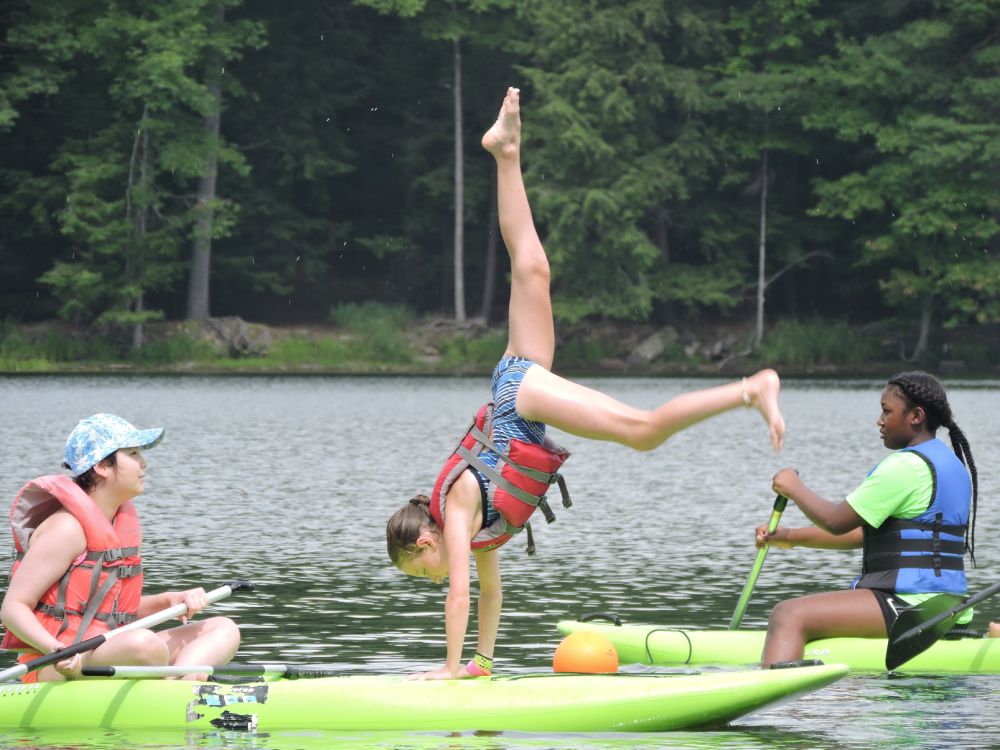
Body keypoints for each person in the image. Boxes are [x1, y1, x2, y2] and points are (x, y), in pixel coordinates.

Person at [386, 86, 786, 681]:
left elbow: (462, 595)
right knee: (532, 266)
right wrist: (481, 664)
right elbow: (491, 594)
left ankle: (750, 389)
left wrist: (448, 669)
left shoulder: (459, 508)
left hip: (518, 398)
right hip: (515, 383)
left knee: (643, 432)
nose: (434, 578)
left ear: (424, 543)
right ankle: (505, 152)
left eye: (423, 573)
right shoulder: (471, 528)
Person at [755, 371, 978, 667]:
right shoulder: (953, 466)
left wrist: (793, 487)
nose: (879, 420)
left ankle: (773, 693)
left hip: (911, 607)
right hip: (950, 608)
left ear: (916, 416)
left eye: (887, 411)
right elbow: (867, 535)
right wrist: (790, 537)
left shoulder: (904, 467)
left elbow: (836, 521)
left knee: (788, 615)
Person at [0, 413, 241, 682]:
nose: (144, 462)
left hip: (111, 650)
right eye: (133, 453)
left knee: (223, 628)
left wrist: (171, 600)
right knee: (144, 644)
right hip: (57, 663)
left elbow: (109, 611)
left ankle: (183, 686)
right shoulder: (65, 529)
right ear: (102, 466)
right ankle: (177, 683)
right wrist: (56, 650)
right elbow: (13, 608)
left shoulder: (118, 525)